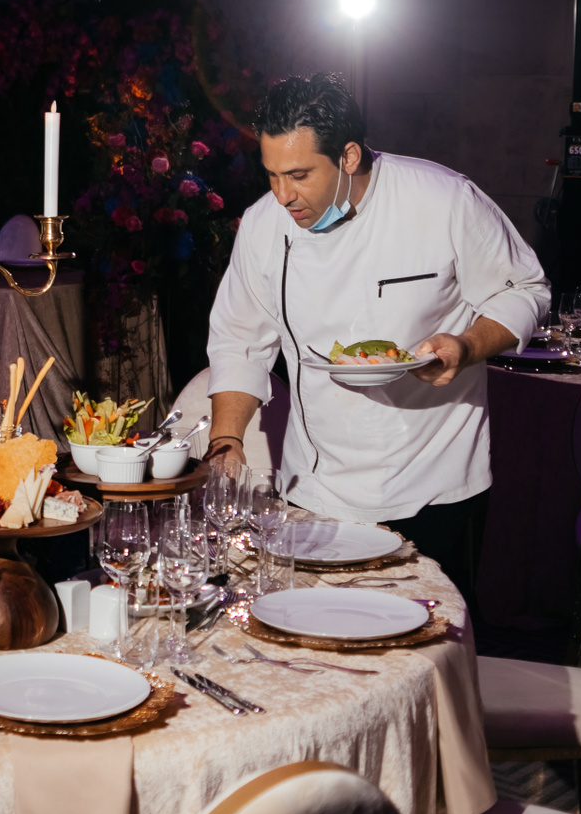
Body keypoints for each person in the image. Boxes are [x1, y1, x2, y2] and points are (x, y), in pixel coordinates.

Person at [204, 73, 549, 596]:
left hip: (432, 484)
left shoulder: (442, 199)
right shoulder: (262, 226)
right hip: (314, 487)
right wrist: (226, 440)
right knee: (314, 635)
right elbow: (239, 339)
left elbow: (525, 289)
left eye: (299, 175)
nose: (282, 195)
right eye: (271, 175)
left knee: (429, 636)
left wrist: (466, 346)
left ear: (347, 156)